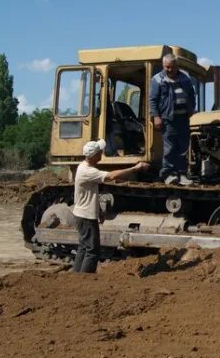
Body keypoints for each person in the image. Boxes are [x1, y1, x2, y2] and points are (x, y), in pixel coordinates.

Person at [72, 139, 149, 273]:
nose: (102, 153)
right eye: (100, 152)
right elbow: (111, 176)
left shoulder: (83, 167)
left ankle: (75, 276)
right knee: (92, 251)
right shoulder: (88, 171)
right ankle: (84, 279)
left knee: (84, 248)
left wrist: (98, 212)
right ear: (95, 155)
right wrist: (135, 168)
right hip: (86, 217)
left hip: (82, 214)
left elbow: (90, 194)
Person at [149, 53, 196, 185]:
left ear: (177, 66)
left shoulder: (185, 78)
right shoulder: (157, 79)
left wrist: (192, 108)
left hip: (183, 118)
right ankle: (168, 174)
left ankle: (182, 174)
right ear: (164, 66)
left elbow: (192, 95)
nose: (169, 69)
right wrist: (156, 116)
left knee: (183, 147)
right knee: (170, 147)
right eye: (166, 67)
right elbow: (152, 100)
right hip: (167, 118)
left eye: (172, 67)